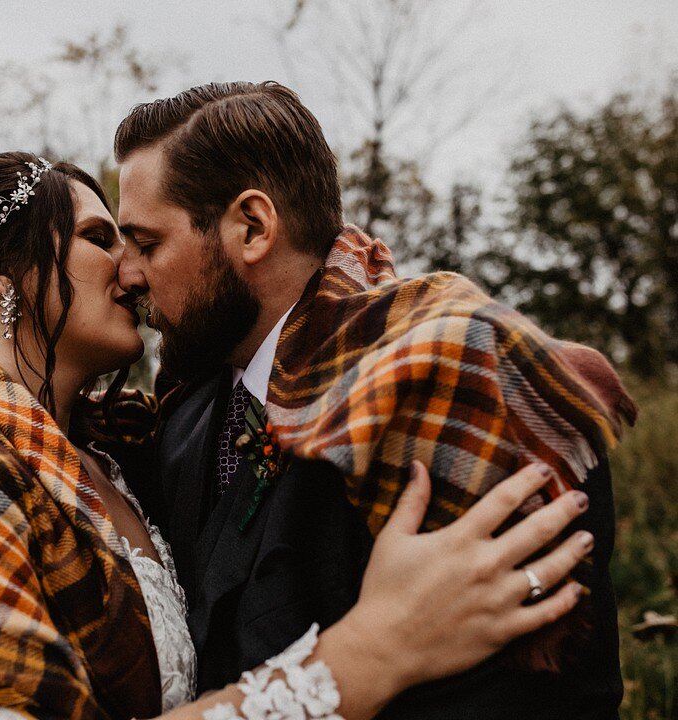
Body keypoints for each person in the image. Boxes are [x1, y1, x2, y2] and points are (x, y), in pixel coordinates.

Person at [0, 152, 593, 720]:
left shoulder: (117, 454)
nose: (131, 270)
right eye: (101, 238)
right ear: (2, 275)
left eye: (138, 243)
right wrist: (370, 653)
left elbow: (284, 326)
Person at [113, 82, 636, 719]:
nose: (128, 274)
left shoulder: (460, 399)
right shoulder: (183, 419)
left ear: (252, 227)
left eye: (147, 244)